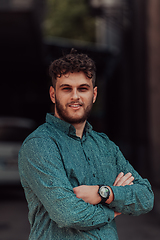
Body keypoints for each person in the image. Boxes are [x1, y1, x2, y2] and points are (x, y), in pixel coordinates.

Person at [18, 49, 154, 240]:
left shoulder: (105, 145)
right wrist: (112, 211)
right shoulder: (39, 145)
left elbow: (146, 197)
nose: (75, 96)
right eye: (66, 88)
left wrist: (104, 193)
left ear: (94, 94)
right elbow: (68, 214)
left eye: (83, 88)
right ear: (53, 94)